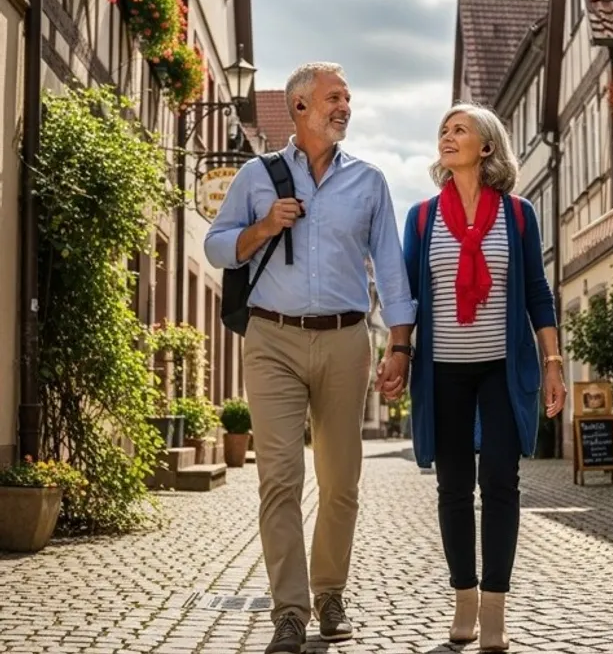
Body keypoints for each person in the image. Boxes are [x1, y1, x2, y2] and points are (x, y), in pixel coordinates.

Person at [204, 62, 416, 654]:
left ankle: (329, 591)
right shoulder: (256, 176)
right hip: (272, 339)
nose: (344, 106)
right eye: (332, 98)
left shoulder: (369, 182)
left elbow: (393, 272)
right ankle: (290, 611)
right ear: (300, 108)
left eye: (348, 97)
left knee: (342, 479)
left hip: (347, 340)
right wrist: (264, 226)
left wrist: (399, 345)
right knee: (280, 478)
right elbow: (218, 245)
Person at [382, 102, 566, 652]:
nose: (447, 135)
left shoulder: (518, 214)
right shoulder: (421, 217)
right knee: (454, 489)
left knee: (502, 485)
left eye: (459, 129)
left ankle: (495, 609)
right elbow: (408, 297)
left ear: (486, 147)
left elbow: (537, 291)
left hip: (501, 371)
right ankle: (463, 596)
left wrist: (552, 362)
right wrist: (397, 351)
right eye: (443, 129)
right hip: (444, 374)